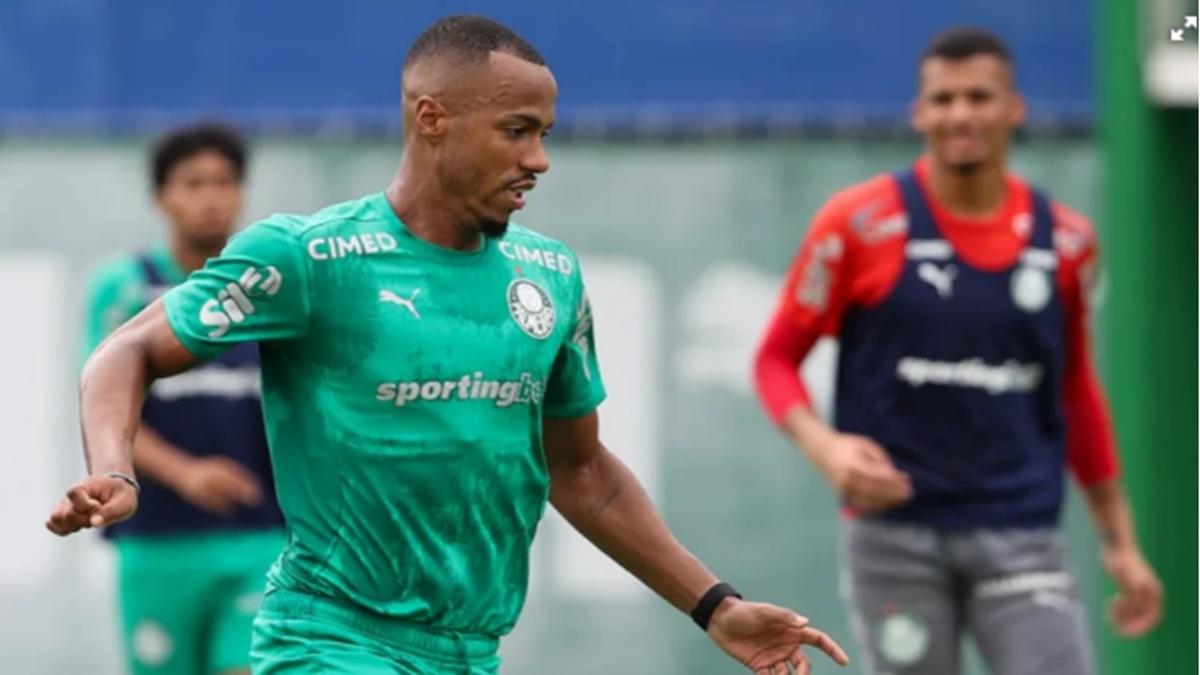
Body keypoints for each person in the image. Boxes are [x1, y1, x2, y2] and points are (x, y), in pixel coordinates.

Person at [48, 15, 848, 675]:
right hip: (331, 641)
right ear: (432, 118)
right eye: (516, 131)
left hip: (472, 651)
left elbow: (580, 470)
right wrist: (115, 467)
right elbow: (126, 351)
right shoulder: (312, 258)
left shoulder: (550, 278)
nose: (538, 159)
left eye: (544, 134)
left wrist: (716, 606)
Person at [753, 27, 1163, 675]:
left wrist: (1119, 541)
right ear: (920, 112)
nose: (961, 114)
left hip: (1022, 532)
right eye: (943, 99)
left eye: (979, 96)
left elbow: (1076, 389)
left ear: (1014, 108)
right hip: (894, 537)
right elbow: (774, 360)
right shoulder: (858, 224)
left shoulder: (1067, 243)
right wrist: (826, 448)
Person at [79, 123, 283, 675]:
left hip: (261, 539)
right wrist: (186, 472)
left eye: (223, 182)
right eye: (193, 183)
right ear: (162, 196)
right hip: (158, 543)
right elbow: (109, 405)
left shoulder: (274, 291)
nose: (211, 197)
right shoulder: (124, 289)